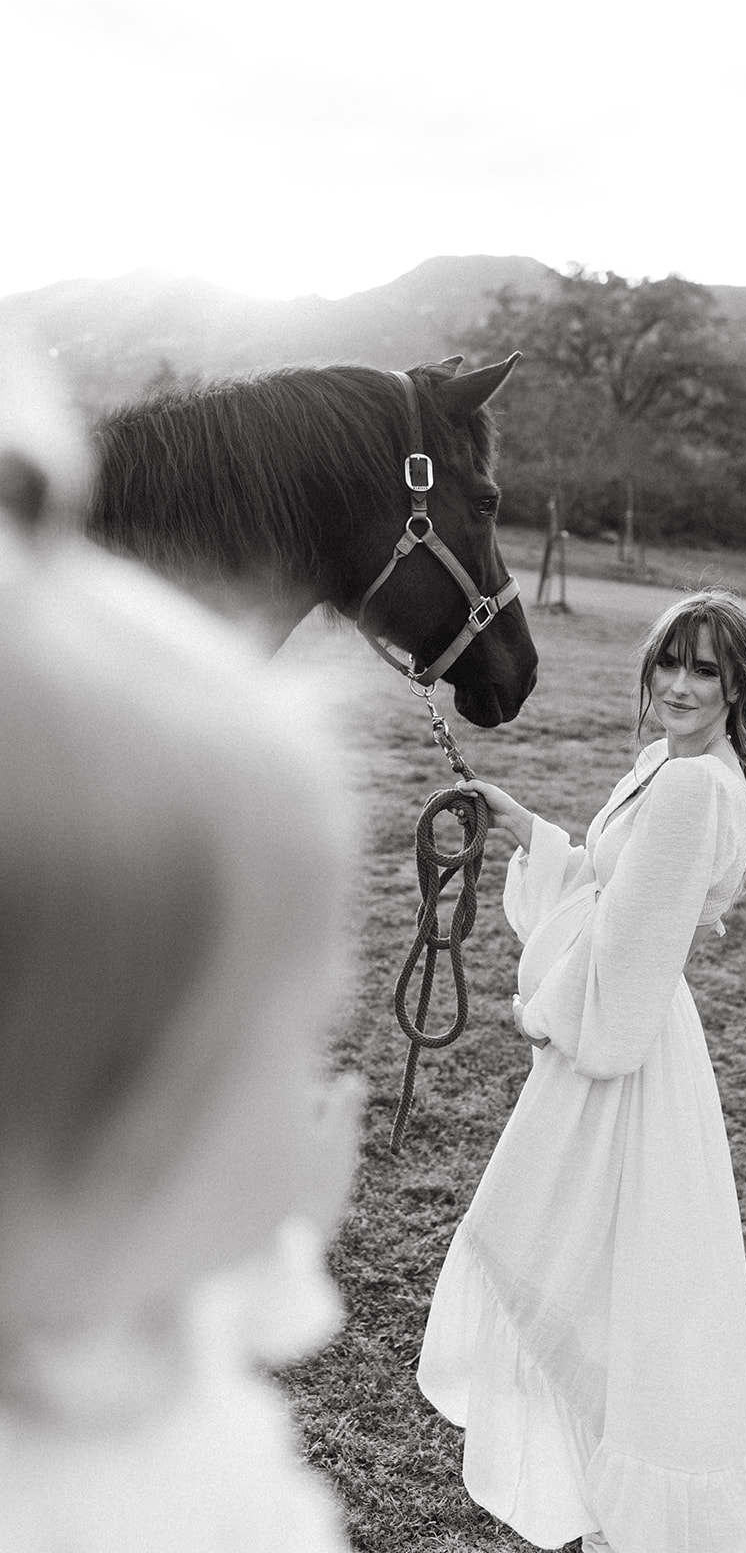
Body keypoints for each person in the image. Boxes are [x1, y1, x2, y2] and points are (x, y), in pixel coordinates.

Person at [0, 440, 360, 1551]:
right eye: (292, 1037)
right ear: (131, 1144)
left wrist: (291, 1222)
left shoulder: (86, 1284)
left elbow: (184, 1281)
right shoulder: (91, 1509)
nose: (313, 1072)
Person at [417, 590, 746, 1553]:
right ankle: (606, 1487)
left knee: (566, 1250)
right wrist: (524, 828)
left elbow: (628, 950)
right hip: (629, 1032)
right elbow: (609, 886)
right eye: (668, 661)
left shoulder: (688, 787)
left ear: (739, 685)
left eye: (704, 669)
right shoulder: (687, 768)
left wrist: (544, 1013)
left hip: (619, 1047)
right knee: (610, 1266)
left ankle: (639, 1504)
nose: (676, 683)